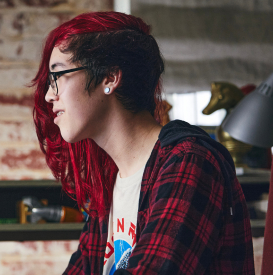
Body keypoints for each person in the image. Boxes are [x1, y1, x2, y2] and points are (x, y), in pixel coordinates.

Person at [31, 11, 254, 274]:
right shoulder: (110, 179)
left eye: (57, 76)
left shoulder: (189, 161)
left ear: (110, 77)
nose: (48, 95)